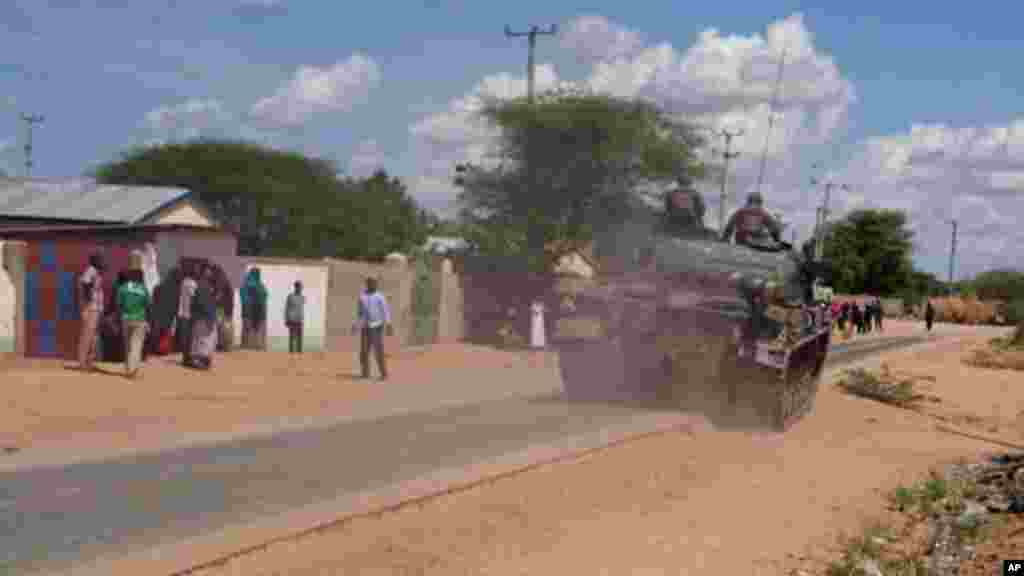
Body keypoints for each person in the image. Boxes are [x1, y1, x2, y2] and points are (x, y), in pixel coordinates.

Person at [355, 276, 392, 380]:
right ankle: (365, 372)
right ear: (367, 284)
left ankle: (384, 373)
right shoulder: (362, 297)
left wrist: (388, 324)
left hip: (377, 326)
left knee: (378, 350)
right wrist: (357, 324)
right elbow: (360, 313)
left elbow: (385, 311)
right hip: (365, 327)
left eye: (375, 283)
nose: (373, 285)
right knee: (364, 351)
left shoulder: (380, 297)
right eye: (371, 283)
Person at [117, 269, 150, 379]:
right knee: (136, 345)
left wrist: (121, 316)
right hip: (139, 319)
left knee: (127, 345)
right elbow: (148, 305)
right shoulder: (143, 289)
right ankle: (132, 370)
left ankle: (128, 368)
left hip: (126, 319)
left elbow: (119, 304)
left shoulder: (123, 288)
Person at [77, 252, 106, 370]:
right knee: (88, 336)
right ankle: (83, 362)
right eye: (100, 260)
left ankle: (89, 362)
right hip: (91, 308)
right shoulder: (91, 271)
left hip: (95, 308)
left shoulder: (96, 272)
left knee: (93, 336)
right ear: (95, 261)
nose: (102, 263)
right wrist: (88, 303)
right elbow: (85, 285)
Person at [189, 268, 218, 370]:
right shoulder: (204, 288)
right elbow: (201, 303)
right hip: (205, 318)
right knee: (203, 341)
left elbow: (196, 304)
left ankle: (202, 361)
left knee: (203, 341)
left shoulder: (203, 287)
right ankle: (201, 362)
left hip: (204, 318)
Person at [241, 268, 268, 350]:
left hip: (254, 310)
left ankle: (251, 344)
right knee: (254, 328)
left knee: (251, 328)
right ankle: (256, 345)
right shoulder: (256, 285)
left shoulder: (251, 284)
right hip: (254, 310)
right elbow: (263, 296)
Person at [177, 266, 198, 365]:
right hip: (189, 314)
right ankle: (188, 358)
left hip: (182, 312)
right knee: (190, 337)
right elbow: (194, 297)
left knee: (185, 337)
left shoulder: (184, 282)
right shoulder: (192, 284)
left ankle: (185, 357)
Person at [285, 281, 305, 354]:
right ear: (295, 287)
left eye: (301, 287)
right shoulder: (290, 296)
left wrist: (302, 319)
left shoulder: (302, 297)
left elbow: (301, 309)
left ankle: (299, 354)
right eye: (299, 287)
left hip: (299, 320)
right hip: (292, 320)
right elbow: (287, 308)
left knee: (299, 339)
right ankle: (291, 354)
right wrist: (287, 320)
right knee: (292, 339)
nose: (300, 289)